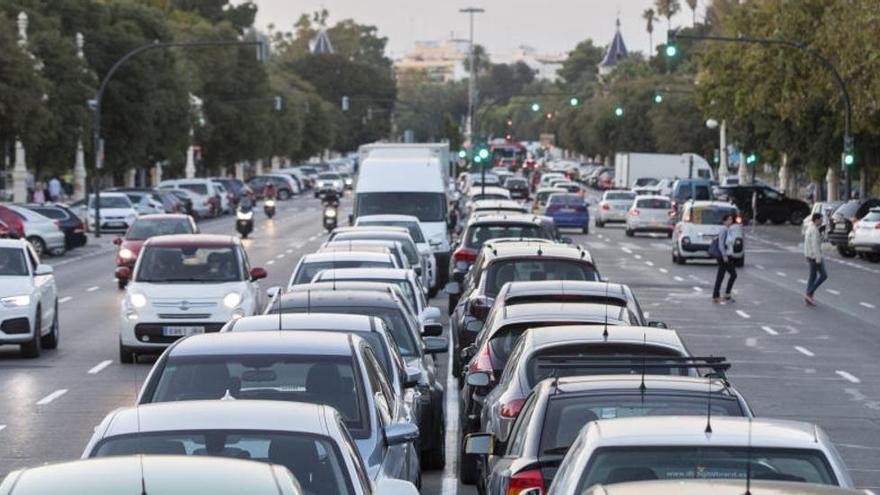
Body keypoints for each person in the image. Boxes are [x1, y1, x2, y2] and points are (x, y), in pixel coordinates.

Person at [712, 214, 737, 304]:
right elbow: (721, 244)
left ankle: (717, 295)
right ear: (724, 221)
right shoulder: (723, 230)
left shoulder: (729, 230)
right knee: (733, 275)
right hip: (724, 257)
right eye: (728, 220)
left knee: (721, 275)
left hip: (728, 255)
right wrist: (724, 255)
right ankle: (726, 294)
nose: (730, 221)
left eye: (731, 219)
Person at [803, 213, 827, 306]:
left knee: (812, 276)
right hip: (814, 256)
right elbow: (815, 245)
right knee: (824, 275)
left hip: (810, 255)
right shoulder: (813, 230)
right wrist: (818, 259)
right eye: (820, 219)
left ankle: (809, 296)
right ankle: (809, 293)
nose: (821, 221)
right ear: (816, 220)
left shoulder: (811, 228)